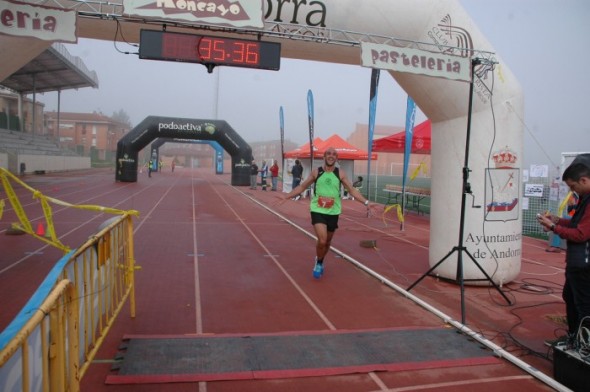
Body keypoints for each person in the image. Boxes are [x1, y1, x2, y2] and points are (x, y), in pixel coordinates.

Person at [279, 147, 375, 279]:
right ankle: (318, 263)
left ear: (336, 158)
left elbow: (351, 190)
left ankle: (320, 260)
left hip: (333, 212)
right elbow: (302, 186)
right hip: (317, 210)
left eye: (334, 154)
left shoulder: (340, 173)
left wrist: (366, 202)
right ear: (324, 157)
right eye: (328, 154)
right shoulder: (316, 172)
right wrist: (286, 196)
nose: (331, 156)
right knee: (322, 240)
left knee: (328, 242)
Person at [537, 155, 590, 346]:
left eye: (573, 186)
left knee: (583, 304)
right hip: (577, 262)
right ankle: (574, 337)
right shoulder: (585, 198)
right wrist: (558, 220)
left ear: (583, 180)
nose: (572, 190)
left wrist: (552, 227)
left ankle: (583, 344)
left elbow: (581, 234)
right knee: (570, 296)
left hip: (584, 264)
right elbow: (577, 223)